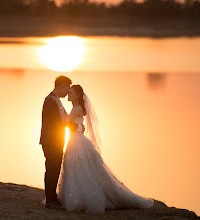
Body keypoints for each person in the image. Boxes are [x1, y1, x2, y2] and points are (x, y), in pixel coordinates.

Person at [52, 84, 154, 214]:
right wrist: (75, 126)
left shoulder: (76, 108)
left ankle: (82, 198)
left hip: (76, 142)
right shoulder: (75, 108)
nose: (69, 95)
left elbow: (66, 121)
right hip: (74, 139)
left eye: (71, 93)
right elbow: (71, 123)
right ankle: (76, 195)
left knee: (79, 168)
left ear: (77, 95)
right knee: (76, 169)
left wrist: (60, 107)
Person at [39, 76, 84, 209]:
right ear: (61, 86)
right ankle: (50, 200)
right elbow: (59, 122)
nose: (67, 92)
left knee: (55, 168)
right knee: (52, 168)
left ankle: (52, 197)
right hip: (50, 141)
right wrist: (77, 127)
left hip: (55, 140)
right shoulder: (51, 101)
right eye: (66, 89)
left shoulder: (55, 100)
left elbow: (64, 120)